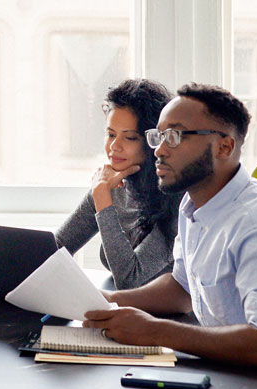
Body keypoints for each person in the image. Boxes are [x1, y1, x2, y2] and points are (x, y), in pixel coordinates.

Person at [84, 83, 257, 389]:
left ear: (224, 147)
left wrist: (154, 331)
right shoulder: (194, 205)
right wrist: (108, 301)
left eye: (174, 136)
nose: (159, 149)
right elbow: (181, 289)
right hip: (232, 380)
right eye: (157, 136)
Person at [55, 79, 180, 290]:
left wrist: (103, 201)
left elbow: (129, 280)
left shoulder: (176, 197)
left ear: (153, 141)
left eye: (130, 138)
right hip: (125, 309)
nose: (114, 146)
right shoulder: (110, 184)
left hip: (168, 318)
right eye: (111, 134)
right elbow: (57, 249)